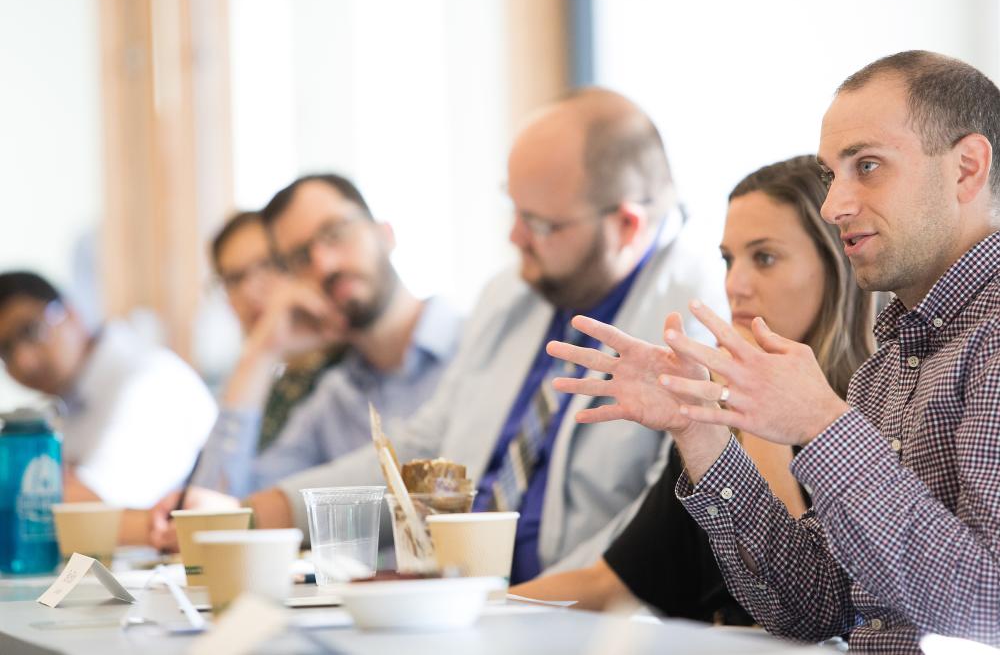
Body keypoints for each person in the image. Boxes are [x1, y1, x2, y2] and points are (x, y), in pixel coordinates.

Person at [155, 88, 726, 582]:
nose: (515, 238)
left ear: (626, 225)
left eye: (540, 225)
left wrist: (506, 606)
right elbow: (427, 444)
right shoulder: (514, 292)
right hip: (462, 603)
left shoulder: (698, 317)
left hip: (575, 621)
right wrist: (252, 514)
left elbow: (661, 528)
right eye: (514, 210)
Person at [548, 51, 1000, 650]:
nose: (836, 204)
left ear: (966, 168)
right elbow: (817, 610)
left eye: (867, 166)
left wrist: (823, 422)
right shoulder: (887, 366)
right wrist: (700, 433)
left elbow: (986, 603)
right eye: (833, 173)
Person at [511, 155, 874, 620]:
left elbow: (806, 605)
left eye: (764, 257)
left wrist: (755, 416)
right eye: (728, 259)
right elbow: (611, 582)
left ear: (837, 261)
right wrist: (468, 607)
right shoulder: (707, 411)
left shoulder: (875, 409)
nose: (735, 284)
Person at [184, 174, 463, 500]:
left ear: (384, 233)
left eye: (335, 233)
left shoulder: (480, 346)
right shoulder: (334, 398)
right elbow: (220, 507)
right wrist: (259, 354)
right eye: (301, 257)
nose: (324, 264)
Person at [0, 271, 215, 508]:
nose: (23, 360)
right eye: (5, 350)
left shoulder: (148, 381)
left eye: (30, 331)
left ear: (71, 313)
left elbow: (93, 508)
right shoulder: (63, 404)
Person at [192, 211, 345, 497]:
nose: (251, 289)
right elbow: (211, 503)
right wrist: (259, 354)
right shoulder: (267, 382)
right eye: (234, 279)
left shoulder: (346, 375)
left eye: (268, 265)